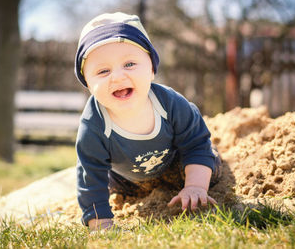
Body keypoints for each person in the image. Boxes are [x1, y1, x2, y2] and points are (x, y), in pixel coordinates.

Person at [74, 12, 222, 231]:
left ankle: (193, 183)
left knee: (210, 167)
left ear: (152, 69)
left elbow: (195, 143)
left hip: (175, 163)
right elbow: (91, 174)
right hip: (128, 180)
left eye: (130, 64)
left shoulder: (170, 103)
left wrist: (195, 186)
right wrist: (100, 223)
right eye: (103, 71)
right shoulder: (93, 124)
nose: (117, 77)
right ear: (88, 83)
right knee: (112, 186)